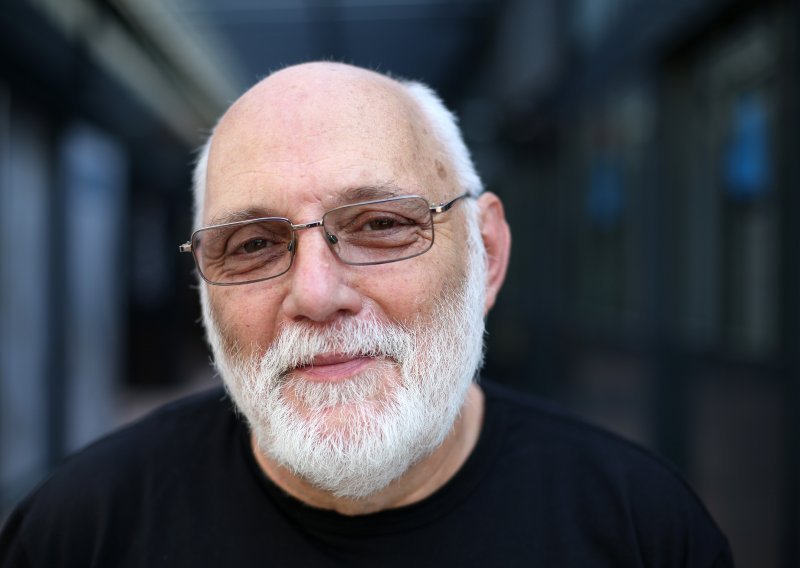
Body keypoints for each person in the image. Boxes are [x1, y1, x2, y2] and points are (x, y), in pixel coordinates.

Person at [0, 62, 732, 567]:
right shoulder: (81, 533)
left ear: (487, 253)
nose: (317, 295)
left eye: (381, 225)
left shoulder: (640, 531)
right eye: (253, 244)